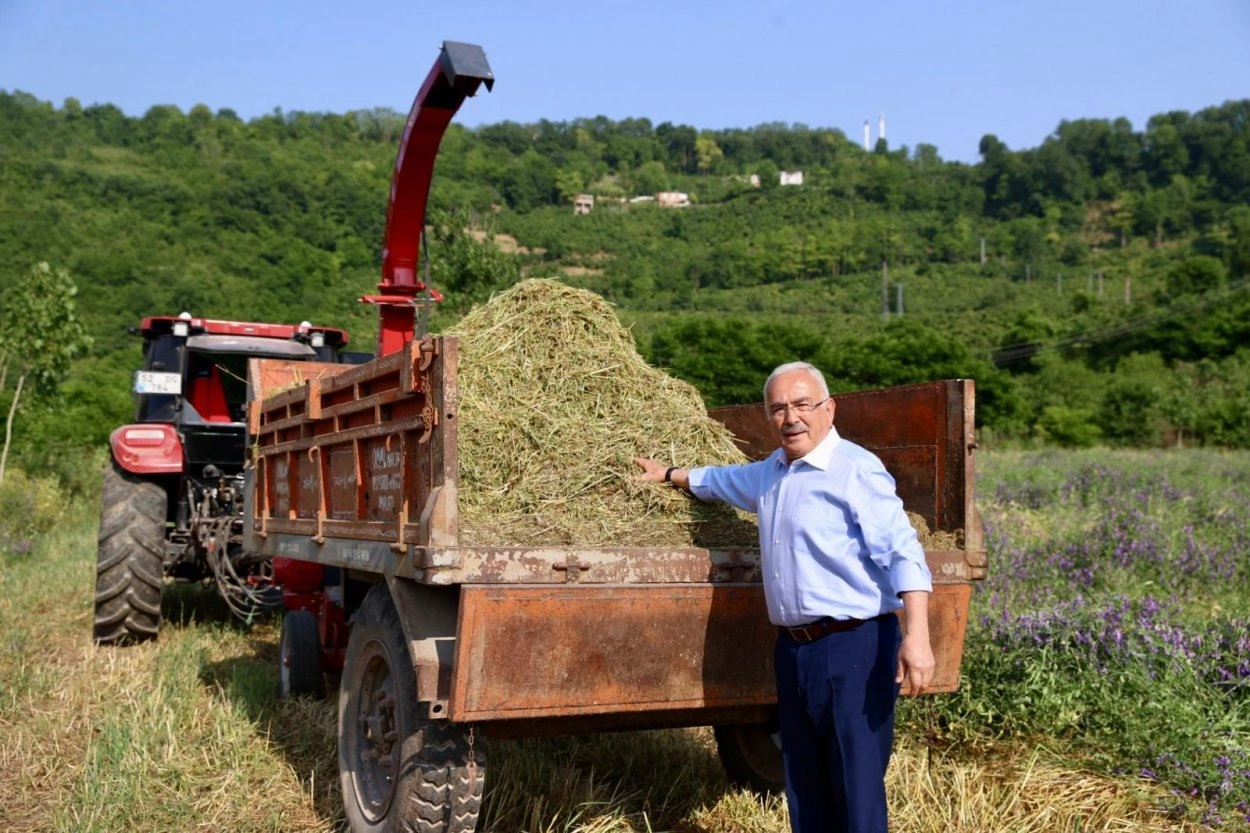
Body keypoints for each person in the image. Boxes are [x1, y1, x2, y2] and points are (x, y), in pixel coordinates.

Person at [634, 361, 934, 833]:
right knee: (804, 785)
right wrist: (670, 473)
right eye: (778, 409)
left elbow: (904, 552)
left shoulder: (855, 470)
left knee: (855, 788)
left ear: (828, 409)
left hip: (854, 645)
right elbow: (719, 480)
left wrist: (917, 636)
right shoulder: (770, 473)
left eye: (802, 405)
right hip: (794, 650)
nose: (791, 417)